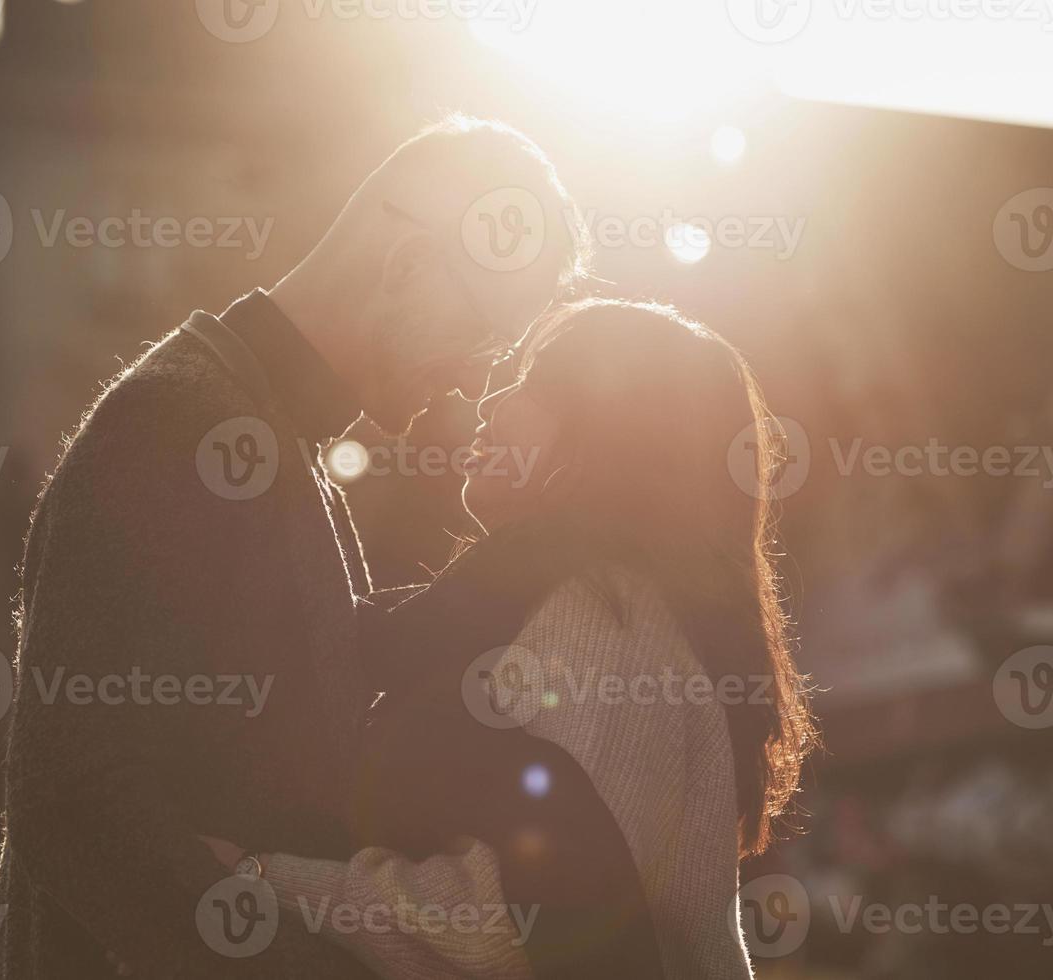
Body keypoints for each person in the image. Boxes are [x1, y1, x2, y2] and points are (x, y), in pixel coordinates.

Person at [0, 115, 595, 980]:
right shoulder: (180, 425)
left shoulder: (269, 440)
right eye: (483, 337)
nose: (470, 381)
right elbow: (74, 801)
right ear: (408, 266)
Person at [200, 299, 820, 978]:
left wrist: (263, 877)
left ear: (603, 428)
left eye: (529, 381)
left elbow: (504, 926)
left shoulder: (602, 617)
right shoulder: (590, 608)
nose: (490, 397)